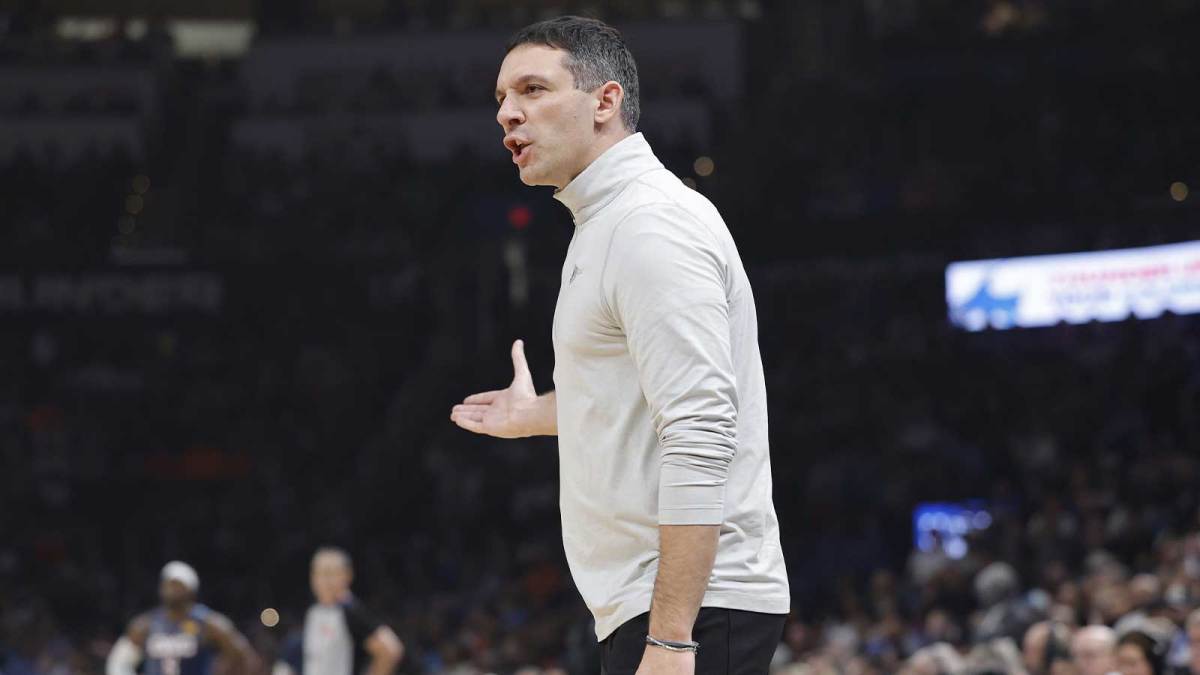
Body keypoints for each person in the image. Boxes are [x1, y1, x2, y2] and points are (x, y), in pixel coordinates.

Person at [451, 15, 790, 675]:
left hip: (693, 609)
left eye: (531, 89)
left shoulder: (648, 225)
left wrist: (670, 638)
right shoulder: (605, 222)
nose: (508, 115)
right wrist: (544, 412)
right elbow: (635, 395)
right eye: (500, 100)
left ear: (604, 101)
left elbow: (701, 427)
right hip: (666, 605)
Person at [106, 561, 259, 675]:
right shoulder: (144, 625)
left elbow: (244, 656)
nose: (171, 589)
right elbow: (118, 664)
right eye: (168, 583)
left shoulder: (210, 623)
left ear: (191, 589)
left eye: (177, 584)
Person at [277, 548, 404, 675]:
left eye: (330, 573)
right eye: (319, 573)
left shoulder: (351, 611)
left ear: (348, 575)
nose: (324, 580)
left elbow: (390, 649)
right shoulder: (314, 611)